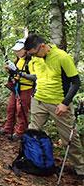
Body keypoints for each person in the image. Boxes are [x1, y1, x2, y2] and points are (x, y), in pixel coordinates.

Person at [24, 33, 83, 177]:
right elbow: (37, 77)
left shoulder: (62, 57)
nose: (34, 56)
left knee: (69, 138)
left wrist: (65, 103)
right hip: (39, 100)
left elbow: (76, 82)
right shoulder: (36, 58)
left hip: (58, 103)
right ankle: (33, 161)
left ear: (42, 46)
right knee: (32, 131)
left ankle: (80, 169)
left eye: (35, 53)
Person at [0, 39, 36, 140]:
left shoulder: (31, 62)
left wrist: (19, 73)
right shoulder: (18, 60)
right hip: (16, 88)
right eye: (16, 50)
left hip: (26, 89)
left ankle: (20, 132)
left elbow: (35, 77)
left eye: (19, 50)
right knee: (11, 108)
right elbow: (15, 74)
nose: (17, 52)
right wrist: (11, 71)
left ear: (26, 50)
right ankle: (8, 129)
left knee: (21, 111)